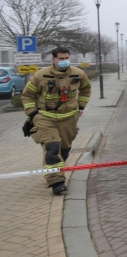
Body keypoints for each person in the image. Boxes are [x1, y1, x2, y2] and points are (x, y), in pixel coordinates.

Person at [20, 47, 91, 195]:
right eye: (61, 59)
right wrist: (33, 114)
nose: (64, 61)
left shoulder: (78, 74)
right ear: (54, 59)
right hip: (46, 118)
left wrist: (81, 106)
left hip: (69, 118)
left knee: (64, 150)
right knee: (52, 148)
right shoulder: (41, 75)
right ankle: (56, 182)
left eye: (67, 58)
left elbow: (86, 89)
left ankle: (58, 170)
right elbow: (27, 95)